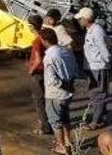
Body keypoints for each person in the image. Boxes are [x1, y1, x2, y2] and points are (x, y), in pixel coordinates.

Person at [41, 27, 78, 155]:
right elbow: (75, 68)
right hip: (67, 94)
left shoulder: (49, 57)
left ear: (45, 41)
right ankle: (68, 142)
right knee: (65, 117)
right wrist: (70, 83)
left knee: (55, 120)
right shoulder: (66, 51)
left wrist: (64, 84)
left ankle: (61, 146)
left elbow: (52, 80)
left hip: (55, 94)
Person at [75, 7, 112, 129]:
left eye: (80, 19)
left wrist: (106, 65)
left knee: (98, 95)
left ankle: (95, 121)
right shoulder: (90, 30)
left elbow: (104, 50)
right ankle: (101, 118)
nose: (79, 21)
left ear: (86, 19)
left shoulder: (97, 31)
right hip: (92, 67)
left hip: (99, 67)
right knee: (94, 94)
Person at [26, 15, 52, 135]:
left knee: (39, 101)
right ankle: (48, 122)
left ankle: (45, 127)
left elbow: (38, 59)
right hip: (45, 72)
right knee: (44, 99)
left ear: (32, 26)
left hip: (37, 73)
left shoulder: (37, 41)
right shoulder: (44, 36)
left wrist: (31, 70)